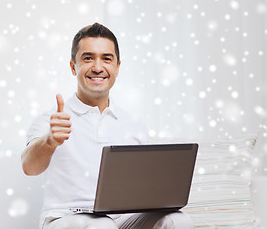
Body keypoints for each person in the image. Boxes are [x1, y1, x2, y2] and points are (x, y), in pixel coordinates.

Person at [22, 22, 194, 229]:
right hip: (66, 219)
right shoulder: (52, 119)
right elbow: (29, 167)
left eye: (106, 59)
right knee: (101, 226)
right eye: (88, 58)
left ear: (117, 67)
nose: (97, 67)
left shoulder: (134, 125)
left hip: (122, 219)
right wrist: (50, 141)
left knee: (178, 220)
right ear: (72, 66)